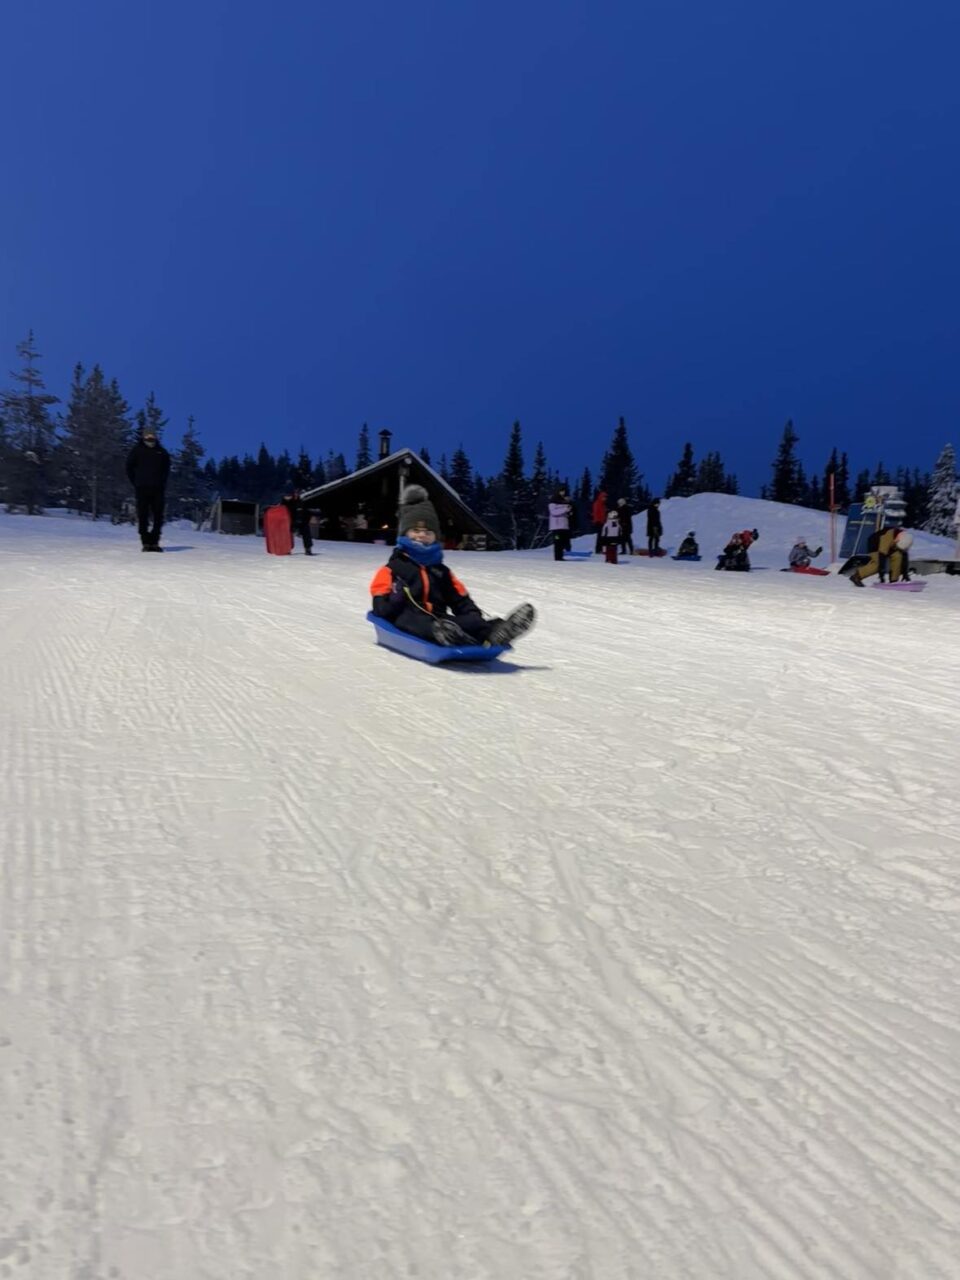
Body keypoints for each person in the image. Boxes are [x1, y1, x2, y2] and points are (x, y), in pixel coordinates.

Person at [370, 485, 536, 646]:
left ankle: (494, 632)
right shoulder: (391, 569)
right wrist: (395, 599)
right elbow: (380, 610)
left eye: (428, 532)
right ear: (404, 534)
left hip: (440, 622)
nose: (422, 535)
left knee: (467, 621)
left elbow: (460, 600)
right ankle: (446, 635)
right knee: (413, 620)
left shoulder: (441, 571)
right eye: (415, 530)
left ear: (435, 537)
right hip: (406, 620)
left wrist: (473, 619)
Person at [126, 428, 171, 551]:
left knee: (158, 516)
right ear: (144, 436)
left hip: (158, 490)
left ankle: (155, 542)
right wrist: (136, 482)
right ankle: (145, 542)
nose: (150, 438)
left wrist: (162, 483)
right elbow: (128, 467)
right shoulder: (137, 451)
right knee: (143, 515)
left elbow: (166, 469)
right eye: (148, 435)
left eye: (152, 435)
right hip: (142, 489)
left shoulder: (162, 452)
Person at [281, 488, 314, 555]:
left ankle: (308, 549)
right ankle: (287, 548)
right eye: (295, 493)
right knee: (286, 532)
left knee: (306, 531)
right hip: (291, 521)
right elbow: (282, 507)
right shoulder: (289, 502)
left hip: (302, 521)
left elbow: (307, 512)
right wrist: (284, 500)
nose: (296, 494)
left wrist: (306, 520)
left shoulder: (302, 502)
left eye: (297, 493)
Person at [548, 488, 573, 561]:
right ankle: (557, 557)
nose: (563, 493)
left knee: (563, 541)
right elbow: (554, 512)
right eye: (561, 491)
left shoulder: (565, 502)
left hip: (564, 526)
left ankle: (561, 556)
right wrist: (565, 509)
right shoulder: (552, 503)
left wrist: (569, 512)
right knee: (557, 542)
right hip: (556, 526)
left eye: (564, 491)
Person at [591, 488, 608, 554]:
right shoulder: (597, 503)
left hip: (603, 522)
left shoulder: (603, 504)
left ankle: (601, 549)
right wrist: (598, 520)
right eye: (604, 497)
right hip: (599, 522)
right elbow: (596, 513)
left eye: (605, 497)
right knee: (600, 536)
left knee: (602, 536)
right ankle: (598, 549)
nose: (605, 499)